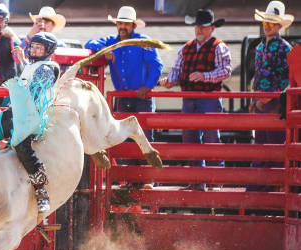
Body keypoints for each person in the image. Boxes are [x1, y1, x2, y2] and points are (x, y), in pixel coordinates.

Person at [0, 32, 60, 213]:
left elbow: (34, 91)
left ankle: (41, 191)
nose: (35, 50)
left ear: (48, 51)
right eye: (33, 46)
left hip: (29, 117)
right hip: (13, 113)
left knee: (23, 149)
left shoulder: (48, 68)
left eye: (40, 48)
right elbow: (28, 80)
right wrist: (23, 63)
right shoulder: (35, 65)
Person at [85, 6, 163, 184]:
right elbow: (89, 43)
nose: (122, 26)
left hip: (141, 97)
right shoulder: (112, 42)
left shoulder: (143, 41)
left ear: (133, 26)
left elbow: (157, 66)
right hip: (122, 97)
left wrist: (148, 86)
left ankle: (146, 179)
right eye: (120, 23)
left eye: (126, 24)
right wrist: (105, 50)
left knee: (144, 136)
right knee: (124, 137)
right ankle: (130, 179)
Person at [159, 9, 232, 191]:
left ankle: (215, 181)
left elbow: (226, 71)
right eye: (197, 26)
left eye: (203, 27)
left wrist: (205, 76)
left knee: (211, 138)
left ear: (211, 28)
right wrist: (169, 81)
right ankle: (195, 180)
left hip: (209, 99)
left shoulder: (219, 46)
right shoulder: (186, 48)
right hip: (189, 99)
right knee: (189, 139)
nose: (199, 29)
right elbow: (176, 71)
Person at [247, 1, 294, 192]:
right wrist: (253, 99)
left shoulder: (285, 48)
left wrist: (275, 97)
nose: (266, 27)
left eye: (271, 24)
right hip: (260, 102)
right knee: (261, 143)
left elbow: (288, 78)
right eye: (265, 23)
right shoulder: (259, 48)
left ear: (279, 26)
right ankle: (261, 187)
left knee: (274, 144)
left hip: (275, 103)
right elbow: (257, 76)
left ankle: (273, 187)